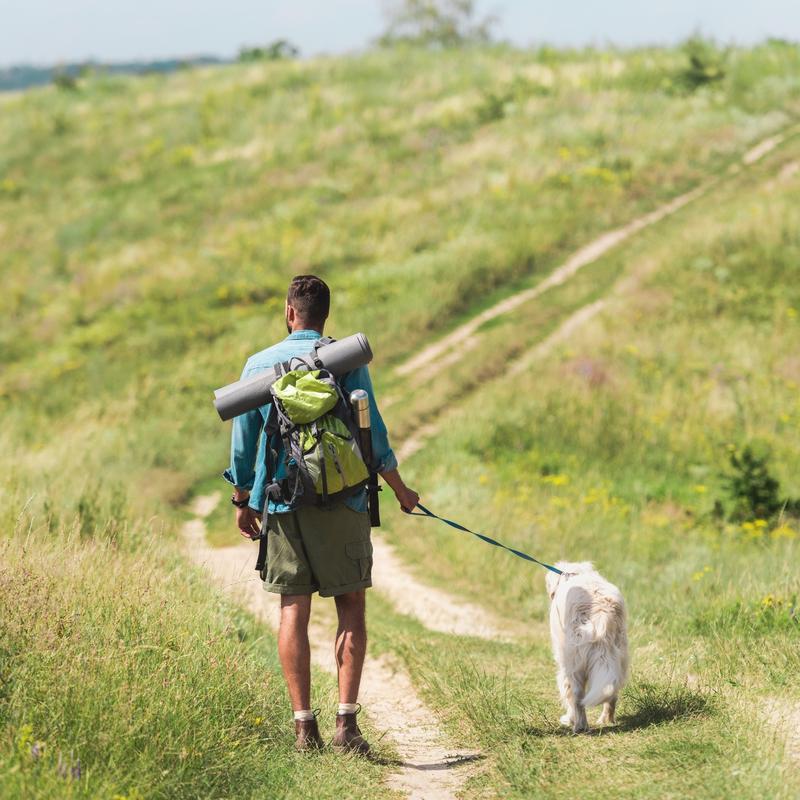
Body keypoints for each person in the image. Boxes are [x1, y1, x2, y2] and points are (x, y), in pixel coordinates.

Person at [223, 274, 419, 754]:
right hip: (345, 502)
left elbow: (244, 443)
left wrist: (244, 501)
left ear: (290, 312)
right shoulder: (344, 358)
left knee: (293, 609)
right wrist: (400, 491)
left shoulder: (260, 364)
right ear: (323, 316)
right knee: (350, 606)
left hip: (284, 503)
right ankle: (347, 726)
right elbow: (373, 435)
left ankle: (303, 728)